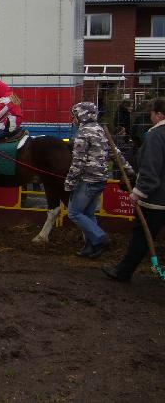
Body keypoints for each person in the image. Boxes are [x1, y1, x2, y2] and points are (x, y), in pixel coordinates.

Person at [103, 98, 165, 282]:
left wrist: (138, 192)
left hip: (156, 199)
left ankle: (123, 271)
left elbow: (150, 168)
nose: (150, 117)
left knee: (142, 235)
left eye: (151, 113)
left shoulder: (156, 136)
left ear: (159, 114)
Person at [65, 102, 135, 259]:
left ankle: (101, 238)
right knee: (89, 213)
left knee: (74, 213)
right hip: (102, 179)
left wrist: (69, 182)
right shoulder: (101, 130)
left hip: (87, 179)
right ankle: (91, 247)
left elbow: (78, 162)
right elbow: (115, 153)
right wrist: (129, 170)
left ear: (81, 115)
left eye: (75, 115)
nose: (73, 119)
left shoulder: (83, 133)